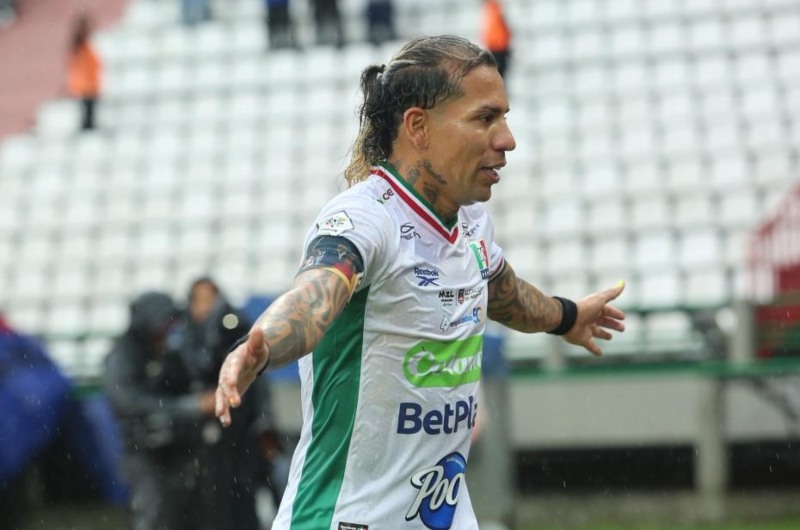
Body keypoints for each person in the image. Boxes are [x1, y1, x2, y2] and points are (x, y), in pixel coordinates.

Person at [216, 35, 626, 529]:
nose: (507, 140)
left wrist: (567, 316)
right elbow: (315, 295)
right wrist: (263, 345)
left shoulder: (471, 224)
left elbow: (504, 295)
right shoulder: (366, 219)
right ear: (418, 126)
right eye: (485, 118)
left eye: (504, 118)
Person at [176, 277, 287, 528]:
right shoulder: (185, 335)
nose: (206, 308)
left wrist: (263, 423)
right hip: (204, 435)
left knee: (243, 496)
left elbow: (257, 382)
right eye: (200, 301)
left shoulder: (234, 326)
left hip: (239, 429)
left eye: (210, 300)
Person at [104, 291, 216, 530]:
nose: (168, 330)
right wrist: (190, 407)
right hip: (144, 451)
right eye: (165, 325)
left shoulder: (169, 352)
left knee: (191, 515)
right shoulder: (123, 355)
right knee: (154, 514)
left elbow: (186, 383)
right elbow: (127, 402)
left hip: (180, 448)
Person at [66, 11, 102, 132]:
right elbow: (86, 68)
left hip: (85, 86)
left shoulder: (81, 46)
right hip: (87, 87)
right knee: (88, 119)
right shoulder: (83, 48)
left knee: (87, 117)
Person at [480, 0, 512, 79]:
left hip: (498, 45)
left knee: (499, 72)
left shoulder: (492, 9)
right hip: (498, 46)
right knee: (500, 72)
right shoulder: (493, 9)